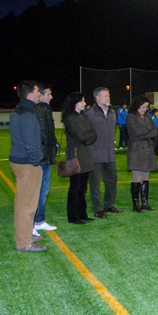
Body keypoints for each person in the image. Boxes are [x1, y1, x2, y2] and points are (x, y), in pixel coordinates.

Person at [9, 81, 46, 251]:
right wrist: (36, 160)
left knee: (24, 202)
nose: (40, 94)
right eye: (38, 91)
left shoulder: (21, 110)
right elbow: (31, 143)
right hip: (27, 164)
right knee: (27, 204)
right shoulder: (27, 114)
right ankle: (24, 242)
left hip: (21, 161)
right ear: (30, 93)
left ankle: (25, 235)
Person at [61, 92, 97, 224]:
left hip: (86, 155)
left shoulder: (84, 117)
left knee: (83, 187)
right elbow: (80, 136)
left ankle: (83, 213)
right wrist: (87, 137)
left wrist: (86, 137)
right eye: (82, 101)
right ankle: (73, 216)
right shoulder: (69, 118)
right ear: (75, 103)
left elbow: (94, 134)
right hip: (75, 156)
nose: (84, 103)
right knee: (75, 187)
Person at [86, 87, 121, 218]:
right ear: (97, 98)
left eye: (108, 95)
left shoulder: (112, 113)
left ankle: (109, 205)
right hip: (95, 155)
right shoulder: (89, 114)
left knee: (112, 181)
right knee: (95, 184)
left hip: (110, 154)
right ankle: (97, 208)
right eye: (105, 96)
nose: (108, 98)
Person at [33, 83, 58, 232]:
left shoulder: (46, 110)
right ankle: (33, 222)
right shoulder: (36, 110)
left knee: (44, 190)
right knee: (37, 190)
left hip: (46, 156)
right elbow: (40, 135)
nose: (51, 97)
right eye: (48, 94)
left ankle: (39, 220)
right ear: (40, 95)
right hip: (40, 157)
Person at [126, 95, 158, 212]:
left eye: (146, 107)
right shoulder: (130, 117)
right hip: (136, 150)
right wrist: (148, 131)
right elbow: (135, 132)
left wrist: (145, 133)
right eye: (143, 107)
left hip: (147, 150)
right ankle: (136, 204)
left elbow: (155, 131)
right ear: (137, 106)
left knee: (145, 177)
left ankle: (144, 202)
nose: (145, 109)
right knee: (137, 177)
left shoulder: (148, 117)